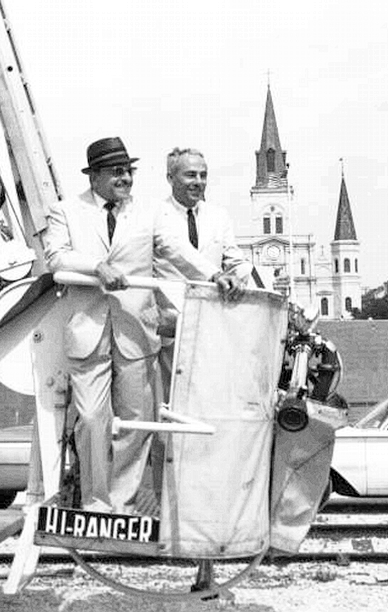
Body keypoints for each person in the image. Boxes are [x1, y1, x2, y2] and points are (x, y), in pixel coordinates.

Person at [43, 137, 234, 514]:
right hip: (88, 332)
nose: (125, 178)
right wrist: (97, 267)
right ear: (94, 176)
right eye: (116, 171)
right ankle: (96, 504)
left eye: (128, 170)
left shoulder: (148, 213)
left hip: (135, 332)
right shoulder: (65, 211)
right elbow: (56, 256)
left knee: (136, 422)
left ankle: (124, 503)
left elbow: (178, 251)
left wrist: (215, 275)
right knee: (93, 419)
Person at [153, 147, 252, 398]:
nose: (198, 182)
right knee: (171, 406)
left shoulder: (219, 217)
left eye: (203, 175)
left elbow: (234, 259)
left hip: (212, 329)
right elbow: (176, 252)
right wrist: (216, 276)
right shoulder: (155, 215)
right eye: (190, 175)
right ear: (170, 178)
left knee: (209, 403)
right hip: (171, 334)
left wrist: (242, 275)